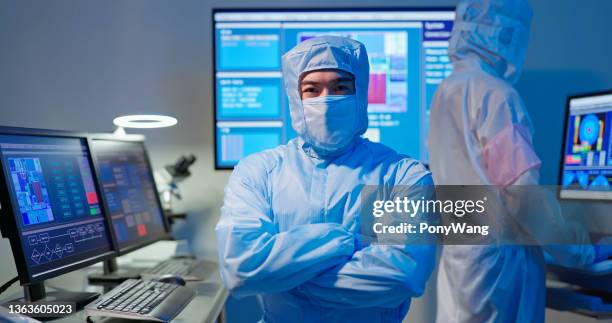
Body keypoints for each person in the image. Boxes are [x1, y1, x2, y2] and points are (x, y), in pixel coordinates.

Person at [216, 36, 436, 323]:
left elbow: (402, 276)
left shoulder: (403, 175)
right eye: (312, 89)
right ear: (297, 98)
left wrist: (286, 277)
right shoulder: (258, 172)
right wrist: (342, 240)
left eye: (340, 87)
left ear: (360, 94)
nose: (326, 100)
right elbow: (241, 269)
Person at [428, 1, 611, 322]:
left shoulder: (447, 91)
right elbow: (522, 197)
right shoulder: (496, 95)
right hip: (497, 264)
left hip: (463, 257)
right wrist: (579, 249)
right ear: (502, 33)